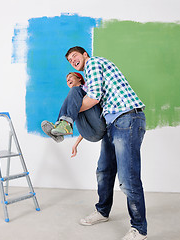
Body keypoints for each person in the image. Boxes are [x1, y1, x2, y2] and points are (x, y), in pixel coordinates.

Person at [62, 46, 147, 240]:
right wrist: (77, 141)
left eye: (74, 56)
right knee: (104, 170)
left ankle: (139, 229)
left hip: (127, 119)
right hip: (112, 123)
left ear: (85, 55)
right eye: (69, 60)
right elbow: (92, 109)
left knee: (128, 178)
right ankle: (102, 211)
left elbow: (94, 98)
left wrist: (71, 112)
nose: (72, 60)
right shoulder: (89, 83)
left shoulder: (93, 63)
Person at [41, 72, 106, 156]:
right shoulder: (73, 101)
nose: (68, 80)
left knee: (75, 93)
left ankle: (64, 124)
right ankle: (61, 129)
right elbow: (86, 122)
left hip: (99, 126)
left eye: (70, 77)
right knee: (72, 104)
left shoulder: (89, 88)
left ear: (79, 78)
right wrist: (76, 144)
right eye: (67, 80)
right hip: (89, 135)